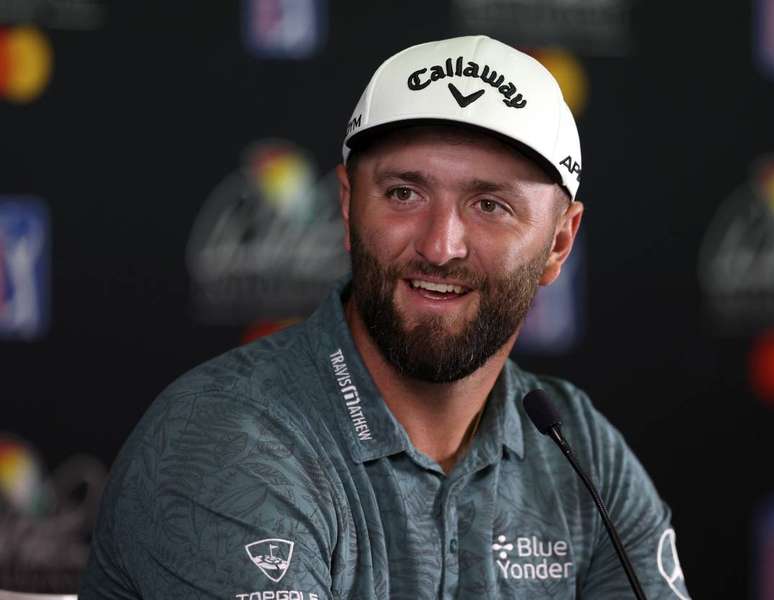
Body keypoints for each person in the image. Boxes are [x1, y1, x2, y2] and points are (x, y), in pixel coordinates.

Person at [81, 35, 690, 599]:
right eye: (404, 193)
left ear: (559, 243)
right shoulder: (226, 438)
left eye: (490, 204)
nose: (439, 245)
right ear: (348, 206)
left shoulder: (578, 448)